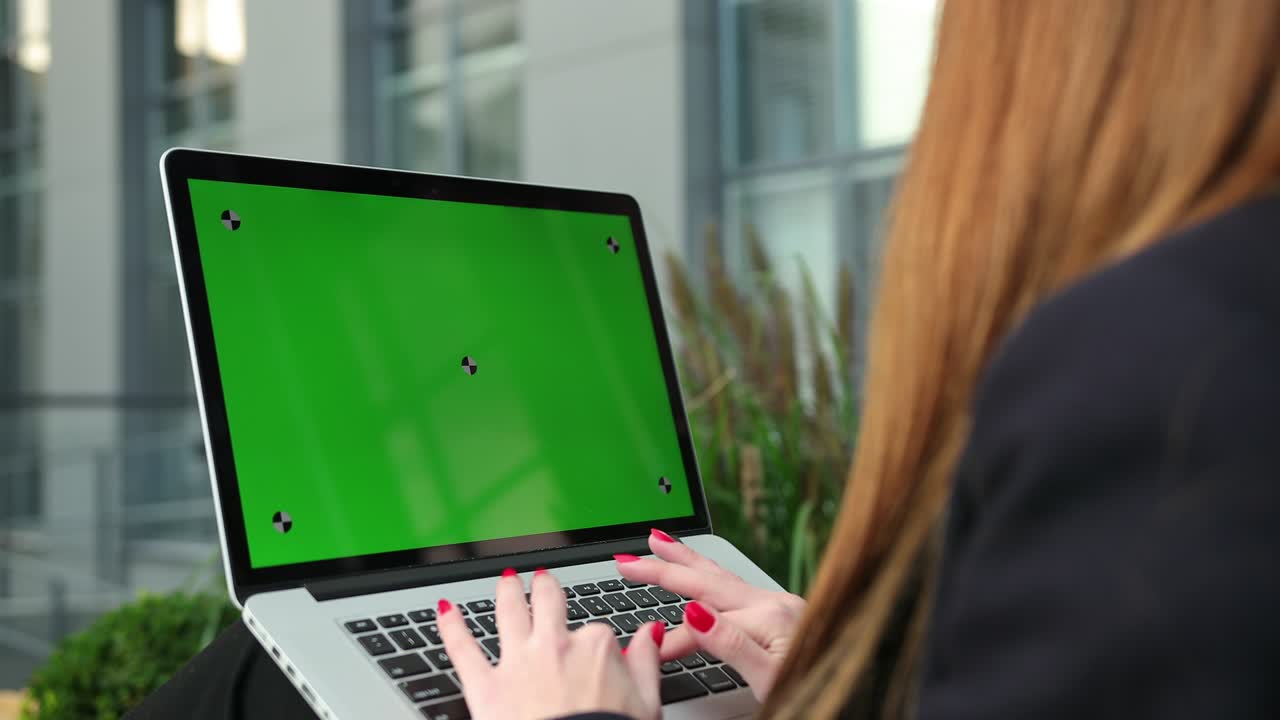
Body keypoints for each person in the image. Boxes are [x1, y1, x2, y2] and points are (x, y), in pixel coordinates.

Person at [130, 1, 1280, 718]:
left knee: (256, 676)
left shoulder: (1160, 375)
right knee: (266, 656)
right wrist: (844, 691)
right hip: (681, 616)